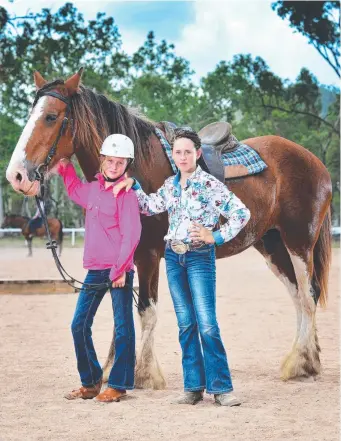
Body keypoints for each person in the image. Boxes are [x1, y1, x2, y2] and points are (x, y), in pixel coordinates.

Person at [114, 127, 250, 407]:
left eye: (188, 152)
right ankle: (193, 387)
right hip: (174, 258)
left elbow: (241, 212)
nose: (183, 156)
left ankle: (221, 388)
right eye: (178, 152)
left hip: (200, 257)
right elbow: (151, 206)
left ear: (197, 154)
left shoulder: (210, 185)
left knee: (207, 324)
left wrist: (217, 236)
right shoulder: (170, 185)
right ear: (173, 155)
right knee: (186, 324)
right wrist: (135, 187)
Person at [58, 134, 141, 403]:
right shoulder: (92, 190)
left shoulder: (126, 194)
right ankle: (91, 381)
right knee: (78, 325)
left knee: (122, 327)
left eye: (120, 162)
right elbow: (73, 190)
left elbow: (132, 234)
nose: (114, 166)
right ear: (102, 160)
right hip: (95, 269)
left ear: (126, 165)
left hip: (119, 270)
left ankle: (118, 384)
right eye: (110, 161)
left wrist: (120, 269)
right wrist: (65, 167)